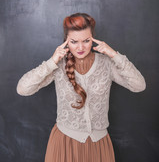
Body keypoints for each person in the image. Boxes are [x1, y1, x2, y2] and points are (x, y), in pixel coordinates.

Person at [16, 12, 146, 162]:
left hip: (99, 146)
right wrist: (51, 62)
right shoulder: (58, 65)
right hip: (64, 144)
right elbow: (23, 89)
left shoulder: (107, 64)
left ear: (93, 39)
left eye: (86, 41)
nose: (80, 47)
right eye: (74, 42)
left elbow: (139, 85)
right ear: (66, 41)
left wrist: (113, 55)